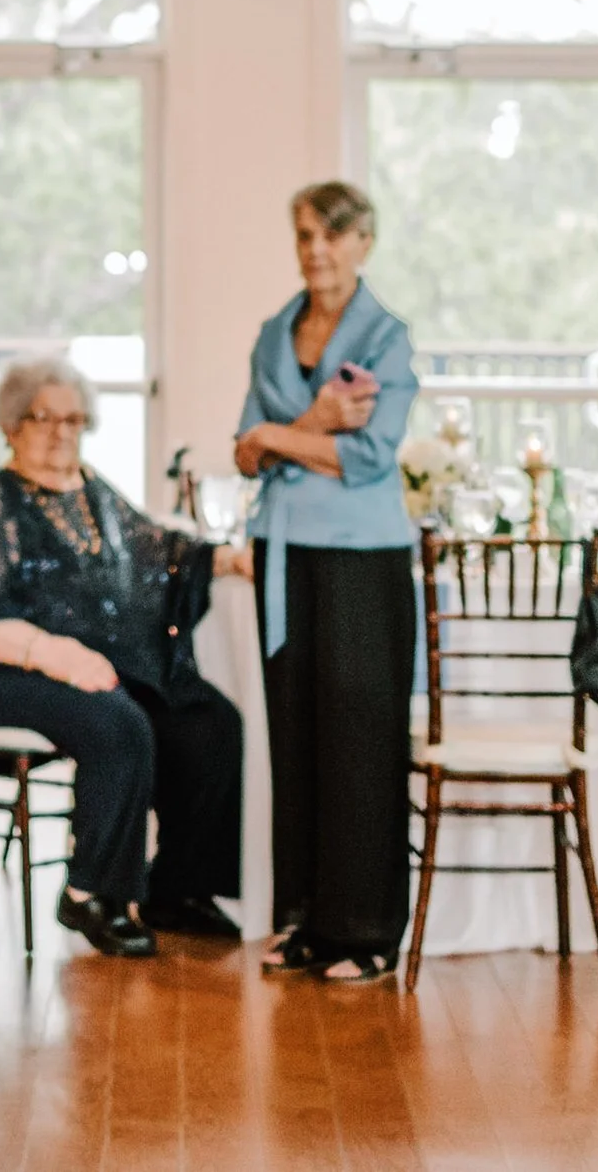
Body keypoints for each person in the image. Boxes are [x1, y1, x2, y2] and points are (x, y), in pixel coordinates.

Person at [0, 356, 253, 958]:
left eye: (73, 419)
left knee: (209, 725)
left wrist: (226, 558)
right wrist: (50, 652)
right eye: (44, 417)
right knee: (117, 723)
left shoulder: (92, 491)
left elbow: (157, 545)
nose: (60, 431)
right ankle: (91, 894)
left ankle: (175, 888)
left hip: (81, 664)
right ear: (12, 425)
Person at [238, 180, 420, 984]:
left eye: (334, 235)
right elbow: (244, 453)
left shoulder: (386, 336)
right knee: (298, 733)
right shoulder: (273, 332)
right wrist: (305, 426)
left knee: (359, 738)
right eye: (307, 233)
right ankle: (305, 917)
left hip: (362, 556)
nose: (317, 249)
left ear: (364, 243)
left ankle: (366, 930)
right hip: (283, 551)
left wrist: (277, 435)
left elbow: (369, 456)